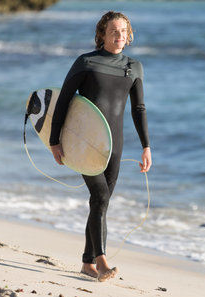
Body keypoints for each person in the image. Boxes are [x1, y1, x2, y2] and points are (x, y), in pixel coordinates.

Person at [49, 11, 152, 282]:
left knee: (100, 203)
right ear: (102, 35)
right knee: (101, 197)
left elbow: (138, 108)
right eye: (113, 31)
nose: (119, 35)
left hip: (114, 145)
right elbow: (63, 100)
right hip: (83, 142)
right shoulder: (86, 62)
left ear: (129, 36)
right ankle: (102, 261)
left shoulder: (134, 66)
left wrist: (146, 146)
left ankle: (86, 263)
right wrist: (54, 140)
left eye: (123, 31)